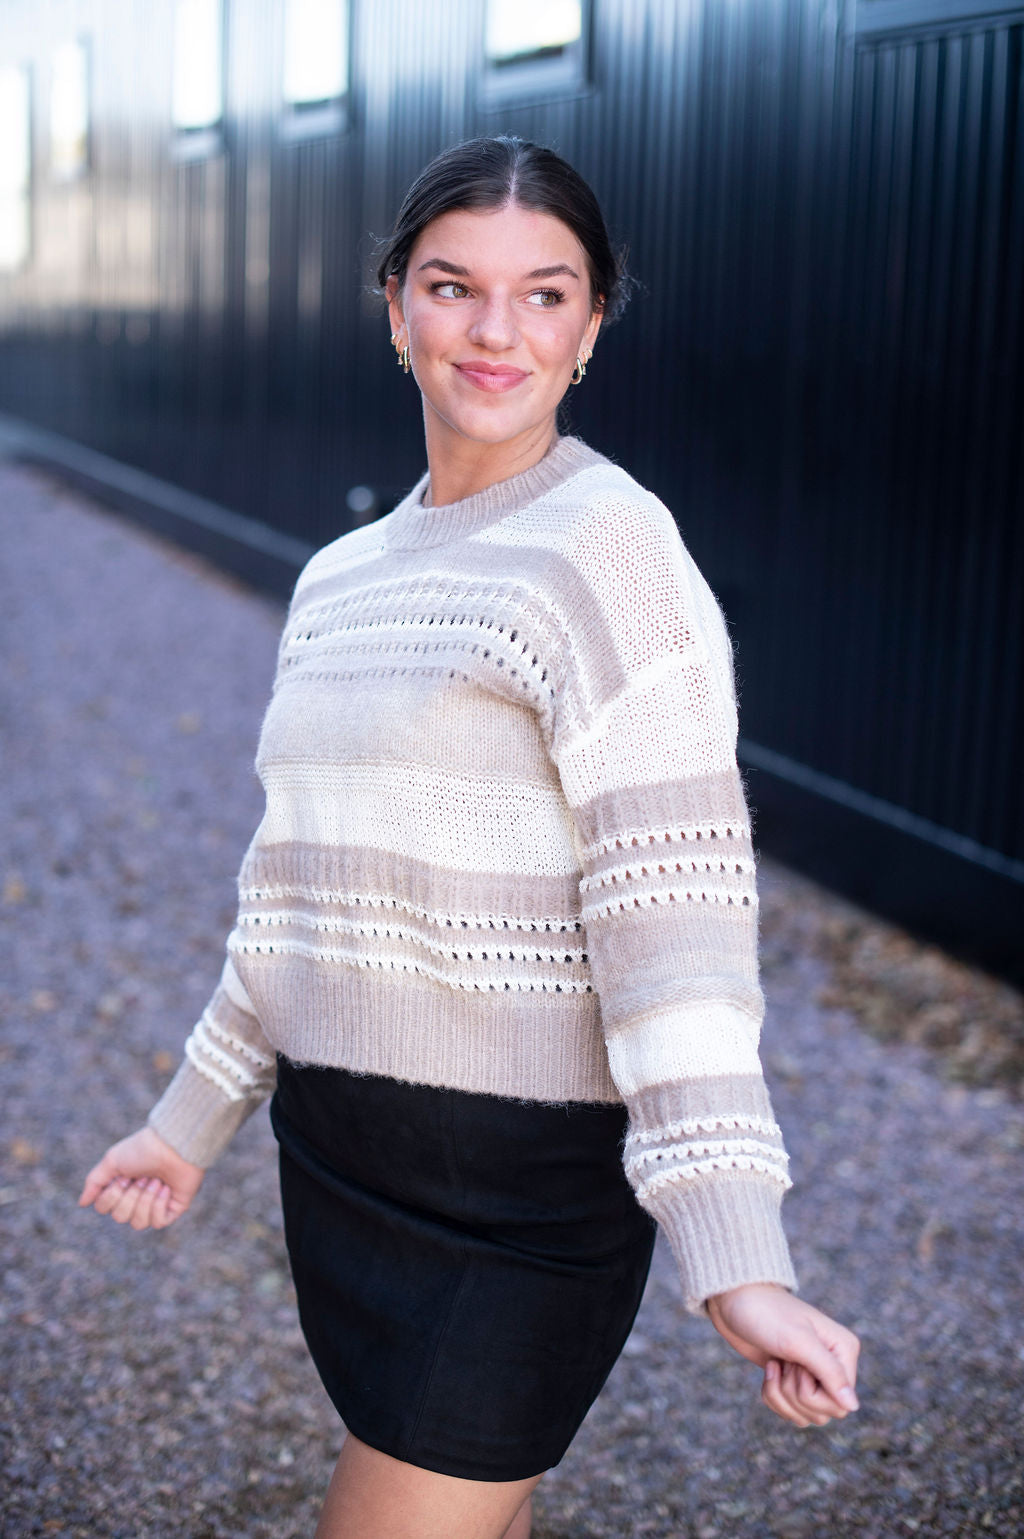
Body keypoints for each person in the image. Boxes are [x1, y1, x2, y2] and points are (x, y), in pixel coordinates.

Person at [79, 136, 860, 1539]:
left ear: (591, 326)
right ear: (396, 309)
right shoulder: (340, 579)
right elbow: (294, 889)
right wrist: (189, 1120)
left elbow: (676, 928)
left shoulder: (611, 554)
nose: (497, 331)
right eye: (453, 287)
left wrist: (737, 1250)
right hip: (342, 1163)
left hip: (516, 1199)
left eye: (544, 294)